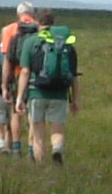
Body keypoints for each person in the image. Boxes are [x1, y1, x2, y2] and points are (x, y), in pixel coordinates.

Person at [17, 9, 80, 165]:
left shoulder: (31, 41)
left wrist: (20, 97)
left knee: (38, 131)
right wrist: (76, 100)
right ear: (53, 22)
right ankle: (57, 149)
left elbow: (25, 71)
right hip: (60, 92)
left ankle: (40, 164)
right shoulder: (66, 43)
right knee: (57, 128)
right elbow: (73, 75)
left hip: (36, 91)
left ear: (37, 22)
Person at [0, 3, 39, 156]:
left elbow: (7, 60)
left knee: (16, 111)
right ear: (33, 14)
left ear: (18, 14)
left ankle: (16, 147)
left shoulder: (10, 30)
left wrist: (4, 85)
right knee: (33, 114)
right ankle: (31, 149)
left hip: (17, 74)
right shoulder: (39, 28)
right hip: (36, 76)